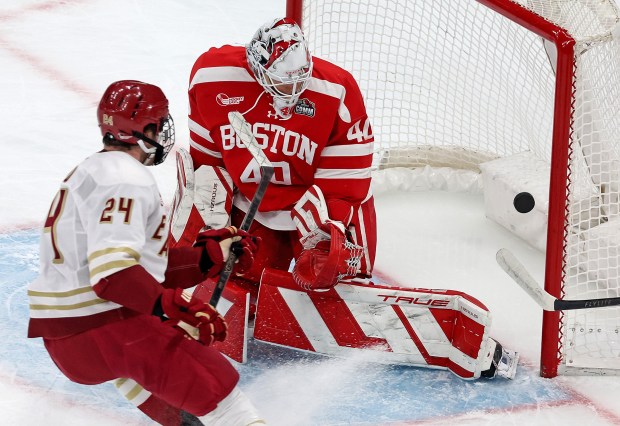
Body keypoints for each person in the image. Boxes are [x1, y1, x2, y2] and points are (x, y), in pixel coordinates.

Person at [27, 80, 265, 425]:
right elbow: (113, 275)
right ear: (144, 129)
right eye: (160, 122)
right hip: (104, 325)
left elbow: (138, 271)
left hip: (69, 338)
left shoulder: (89, 171)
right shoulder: (126, 177)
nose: (165, 131)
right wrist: (171, 309)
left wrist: (206, 257)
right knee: (219, 392)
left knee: (177, 409)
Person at [173, 17, 376, 300]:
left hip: (315, 201)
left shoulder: (337, 91)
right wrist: (212, 222)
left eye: (299, 79)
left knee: (338, 276)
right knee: (234, 275)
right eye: (281, 81)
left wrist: (327, 233)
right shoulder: (214, 77)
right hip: (254, 202)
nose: (291, 91)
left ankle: (350, 277)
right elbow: (209, 163)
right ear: (257, 68)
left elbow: (347, 182)